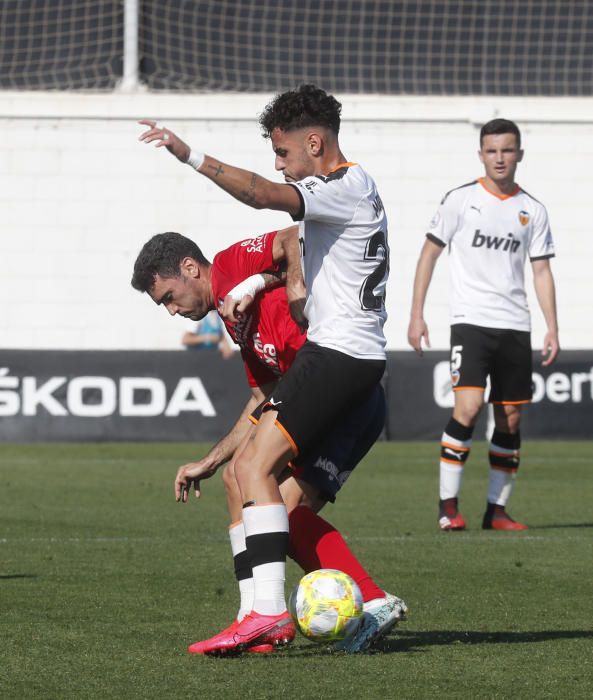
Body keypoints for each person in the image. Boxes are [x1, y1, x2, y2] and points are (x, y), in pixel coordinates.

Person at [138, 84, 392, 653]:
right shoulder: (349, 192)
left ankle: (269, 615)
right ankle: (270, 614)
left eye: (283, 154)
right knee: (252, 488)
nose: (279, 166)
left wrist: (188, 155)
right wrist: (265, 283)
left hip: (340, 359)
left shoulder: (337, 186)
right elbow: (266, 390)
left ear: (314, 141)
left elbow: (263, 203)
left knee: (252, 469)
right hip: (347, 360)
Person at [407, 118, 559, 532]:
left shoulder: (533, 209)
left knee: (510, 418)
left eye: (507, 150)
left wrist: (552, 327)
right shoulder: (460, 200)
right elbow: (428, 255)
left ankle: (497, 511)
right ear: (481, 155)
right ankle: (448, 506)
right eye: (492, 151)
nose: (499, 158)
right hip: (471, 322)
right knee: (469, 408)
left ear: (519, 155)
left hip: (516, 326)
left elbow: (541, 271)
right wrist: (416, 313)